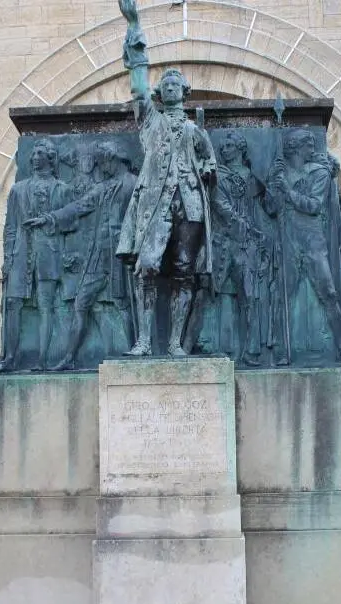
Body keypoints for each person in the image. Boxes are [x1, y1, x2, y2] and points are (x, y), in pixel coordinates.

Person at [115, 0, 217, 357]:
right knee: (146, 267)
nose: (171, 86)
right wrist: (134, 25)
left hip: (189, 207)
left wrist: (207, 170)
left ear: (185, 92)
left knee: (184, 271)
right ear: (161, 94)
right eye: (166, 83)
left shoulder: (194, 129)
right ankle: (144, 341)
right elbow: (139, 86)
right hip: (156, 203)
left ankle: (175, 343)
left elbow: (209, 162)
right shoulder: (150, 120)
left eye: (177, 83)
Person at [24, 140, 138, 370]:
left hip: (122, 255)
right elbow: (79, 206)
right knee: (81, 303)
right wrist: (50, 218)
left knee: (123, 303)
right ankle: (69, 358)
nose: (99, 168)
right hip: (98, 255)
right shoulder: (103, 187)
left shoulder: (134, 185)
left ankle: (135, 349)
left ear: (112, 160)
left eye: (102, 163)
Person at [270, 129, 341, 364]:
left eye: (312, 144)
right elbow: (271, 208)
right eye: (307, 145)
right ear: (295, 147)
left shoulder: (318, 173)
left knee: (329, 294)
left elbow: (313, 205)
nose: (312, 149)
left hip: (312, 241)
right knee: (283, 296)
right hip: (288, 240)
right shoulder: (281, 172)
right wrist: (275, 188)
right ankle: (282, 352)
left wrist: (288, 192)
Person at [0, 138, 70, 372]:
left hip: (49, 255)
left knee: (46, 305)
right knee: (13, 303)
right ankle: (9, 358)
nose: (34, 158)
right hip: (21, 254)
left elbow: (71, 223)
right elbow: (10, 227)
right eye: (33, 154)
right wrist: (8, 258)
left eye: (40, 153)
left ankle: (43, 360)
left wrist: (50, 223)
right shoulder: (18, 190)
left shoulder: (62, 189)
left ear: (50, 158)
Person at [211, 131, 276, 365]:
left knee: (249, 297)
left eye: (229, 145)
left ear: (240, 148)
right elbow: (218, 204)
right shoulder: (217, 175)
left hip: (247, 243)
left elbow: (270, 208)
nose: (224, 149)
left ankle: (251, 350)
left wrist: (274, 182)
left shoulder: (251, 177)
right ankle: (222, 348)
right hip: (223, 241)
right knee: (219, 295)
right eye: (223, 146)